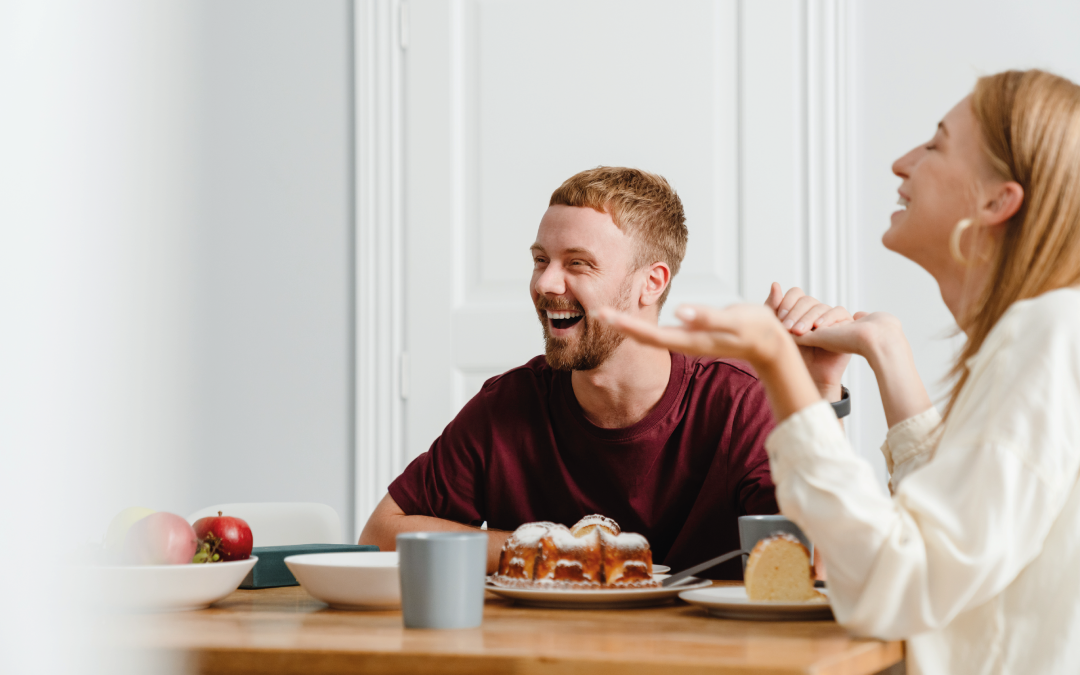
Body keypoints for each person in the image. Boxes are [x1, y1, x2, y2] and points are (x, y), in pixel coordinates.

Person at [601, 69, 1080, 673]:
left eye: (935, 145)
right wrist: (886, 352)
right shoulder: (1051, 334)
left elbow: (896, 587)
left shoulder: (1046, 336)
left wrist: (779, 366)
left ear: (996, 201)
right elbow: (952, 539)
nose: (902, 163)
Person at [359, 167, 848, 576]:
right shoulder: (508, 404)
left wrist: (821, 395)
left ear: (651, 283)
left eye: (578, 264)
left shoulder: (740, 400)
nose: (547, 283)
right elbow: (381, 535)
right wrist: (547, 546)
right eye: (540, 260)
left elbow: (824, 562)